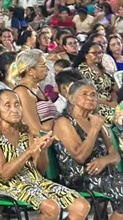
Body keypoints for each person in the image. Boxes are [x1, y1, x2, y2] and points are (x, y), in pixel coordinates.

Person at [0, 90, 90, 220]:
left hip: (34, 180)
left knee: (82, 206)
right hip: (7, 185)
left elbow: (40, 170)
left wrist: (43, 151)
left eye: (17, 104)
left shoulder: (24, 130)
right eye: (8, 105)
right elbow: (4, 174)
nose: (15, 109)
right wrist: (30, 151)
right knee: (52, 208)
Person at [54, 80, 123, 215]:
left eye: (93, 95)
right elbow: (80, 157)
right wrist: (94, 129)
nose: (91, 98)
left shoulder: (95, 120)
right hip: (80, 177)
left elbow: (115, 155)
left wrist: (105, 160)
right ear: (71, 98)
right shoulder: (64, 122)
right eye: (84, 94)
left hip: (105, 173)